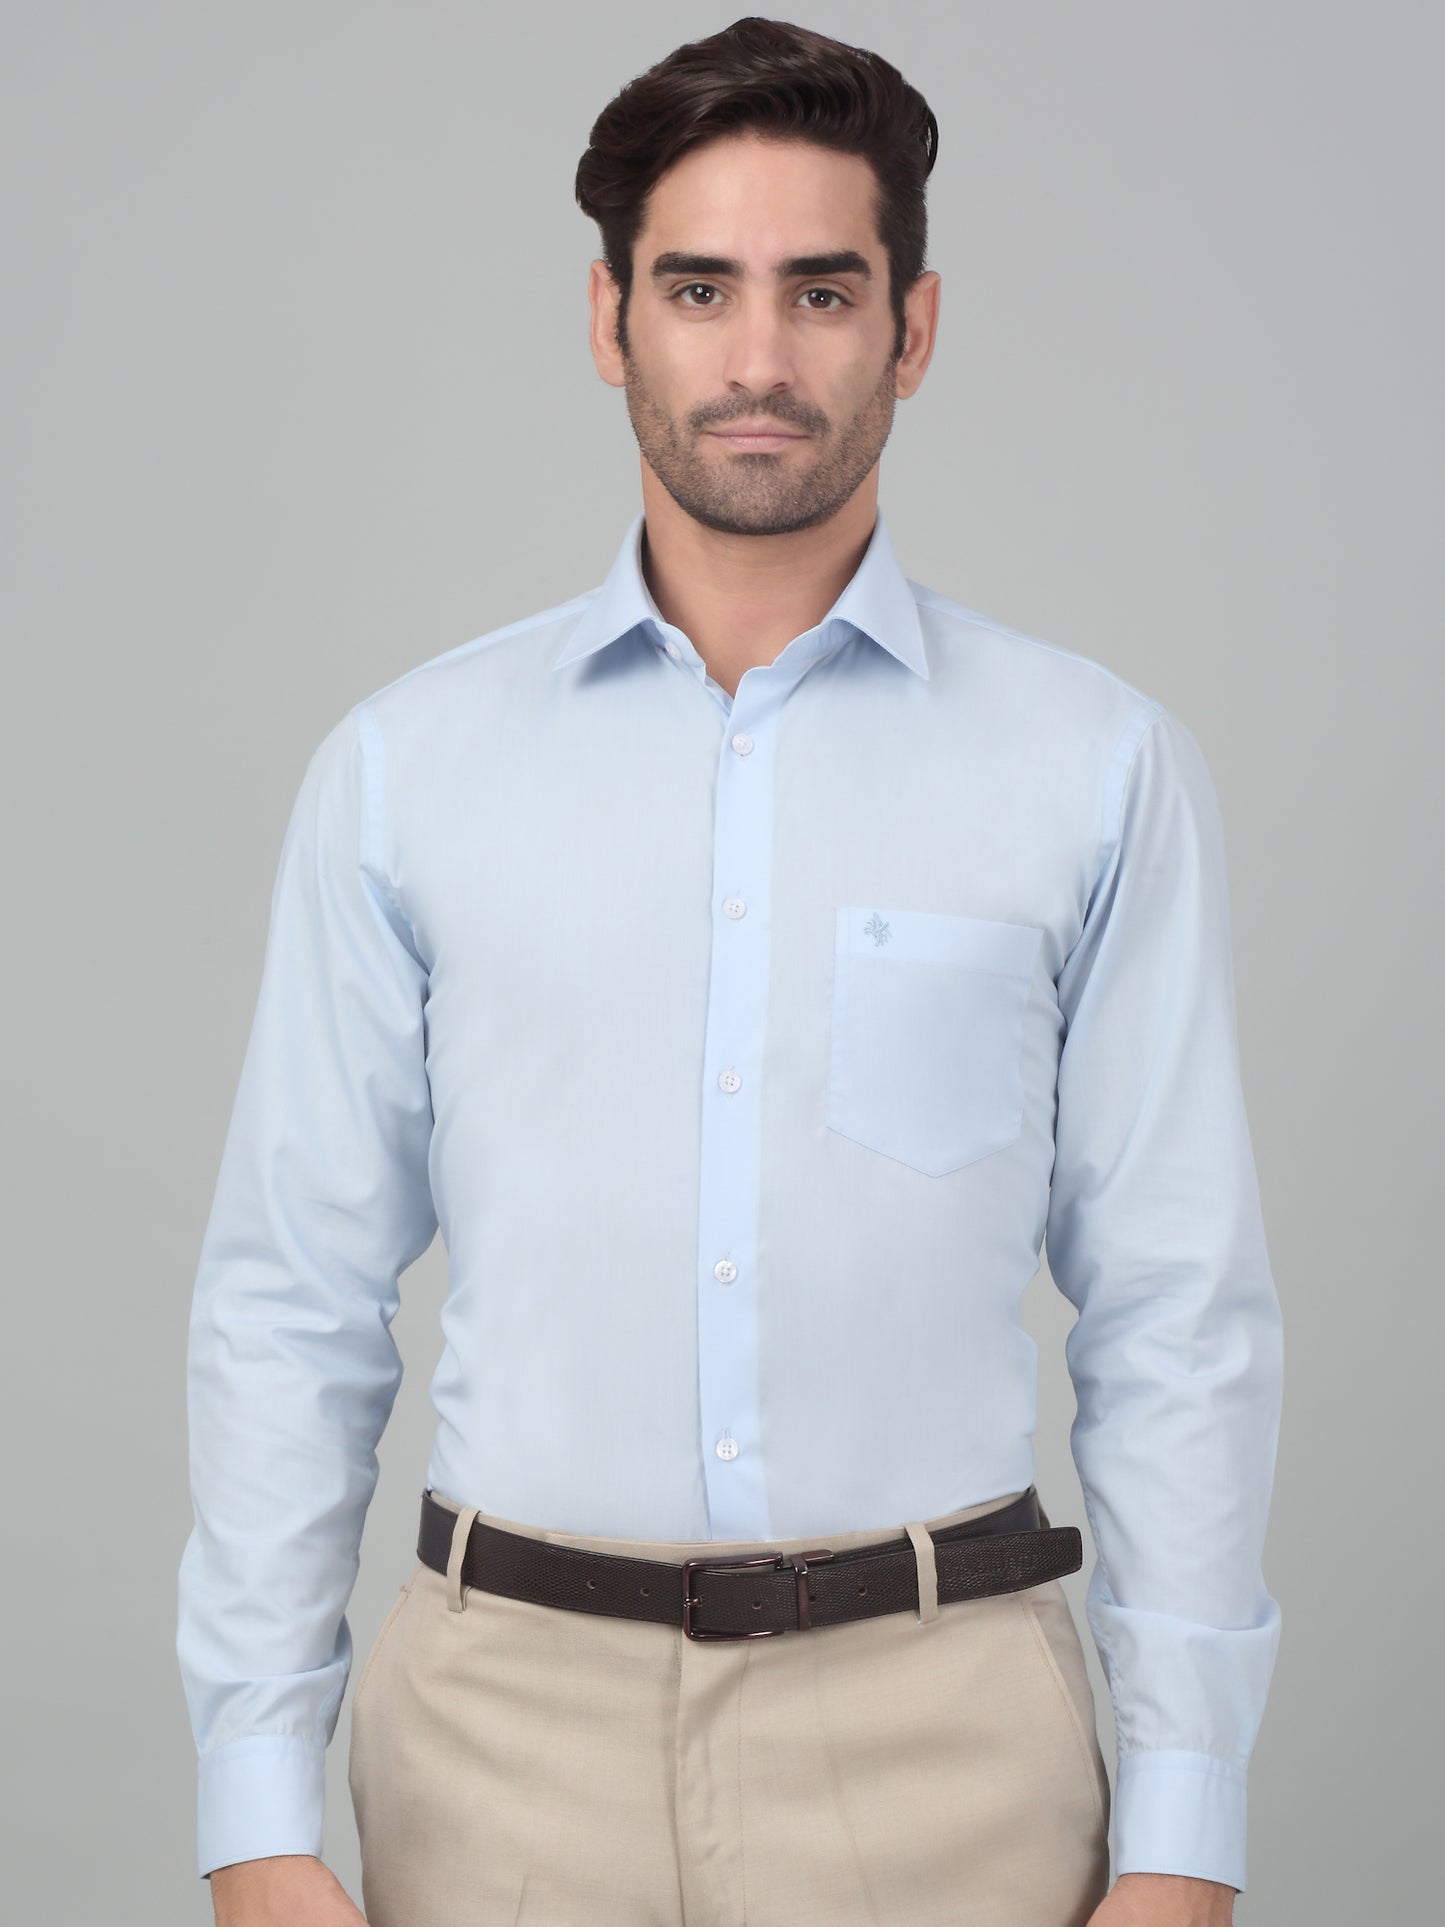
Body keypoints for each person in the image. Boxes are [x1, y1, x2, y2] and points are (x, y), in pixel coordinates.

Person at [177, 17, 1284, 1927]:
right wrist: (256, 1808)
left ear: (910, 330)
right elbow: (293, 1301)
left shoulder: (1093, 769)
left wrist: (1184, 1828)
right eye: (697, 289)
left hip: (947, 1743)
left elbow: (1176, 1315)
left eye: (819, 292)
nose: (758, 358)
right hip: (498, 1743)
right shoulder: (404, 772)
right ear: (608, 322)